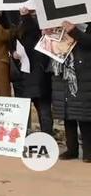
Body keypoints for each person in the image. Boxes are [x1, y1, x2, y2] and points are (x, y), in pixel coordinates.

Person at [52, 21, 91, 163]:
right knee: (67, 113)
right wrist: (48, 35)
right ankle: (71, 150)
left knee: (84, 115)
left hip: (83, 74)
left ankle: (88, 152)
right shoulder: (59, 24)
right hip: (63, 72)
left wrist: (74, 31)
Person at [11, 8, 53, 135]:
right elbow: (13, 41)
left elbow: (32, 28)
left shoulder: (38, 25)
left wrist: (26, 15)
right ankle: (25, 137)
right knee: (26, 112)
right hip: (24, 75)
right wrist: (13, 53)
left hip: (38, 74)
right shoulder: (19, 26)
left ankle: (47, 137)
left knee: (43, 110)